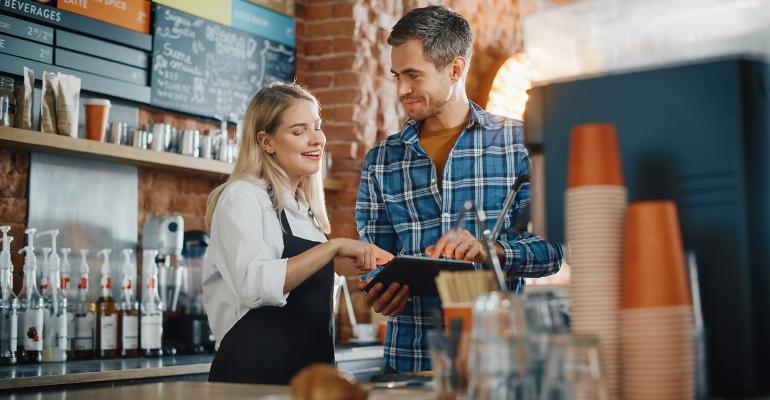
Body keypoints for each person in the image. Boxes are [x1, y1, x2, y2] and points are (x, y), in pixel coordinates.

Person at [356, 5, 565, 372]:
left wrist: (492, 250)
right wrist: (379, 288)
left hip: (498, 367)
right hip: (410, 365)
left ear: (455, 69)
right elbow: (374, 259)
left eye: (413, 75)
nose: (402, 89)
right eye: (396, 76)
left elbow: (551, 252)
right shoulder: (381, 160)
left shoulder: (518, 145)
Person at [203, 82, 394, 384]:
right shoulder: (243, 196)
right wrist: (334, 248)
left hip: (307, 379)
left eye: (317, 127)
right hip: (252, 381)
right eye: (299, 131)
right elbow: (254, 286)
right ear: (266, 142)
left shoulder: (305, 210)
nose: (317, 139)